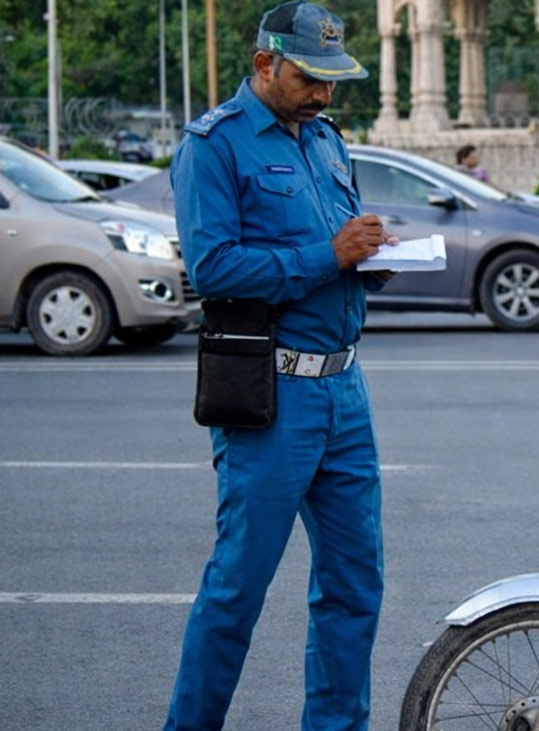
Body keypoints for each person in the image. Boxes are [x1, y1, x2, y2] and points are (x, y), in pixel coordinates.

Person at [163, 3, 396, 729]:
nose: (323, 94)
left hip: (344, 390)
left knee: (355, 585)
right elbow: (214, 267)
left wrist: (369, 258)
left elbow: (337, 249)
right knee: (238, 588)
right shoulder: (214, 146)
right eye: (309, 79)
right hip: (272, 396)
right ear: (265, 64)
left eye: (332, 81)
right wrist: (329, 255)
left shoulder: (325, 140)